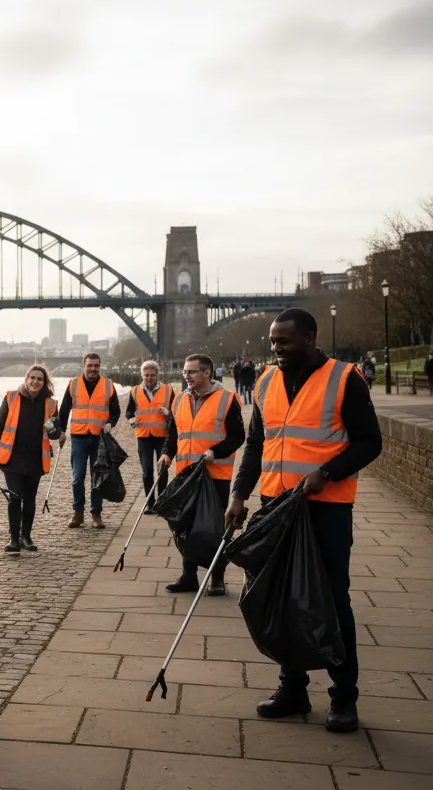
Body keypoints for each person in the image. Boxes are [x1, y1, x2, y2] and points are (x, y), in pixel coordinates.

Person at [228, 308, 382, 733]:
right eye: (273, 341)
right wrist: (239, 494)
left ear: (311, 338)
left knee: (333, 602)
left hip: (326, 507)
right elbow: (257, 444)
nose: (276, 348)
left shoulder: (344, 378)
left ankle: (344, 696)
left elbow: (370, 442)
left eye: (285, 341)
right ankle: (292, 687)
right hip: (276, 505)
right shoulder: (264, 382)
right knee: (279, 598)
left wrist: (327, 472)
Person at [158, 353, 244, 596]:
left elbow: (238, 436)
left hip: (215, 475)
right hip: (186, 475)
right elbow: (174, 434)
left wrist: (214, 452)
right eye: (185, 371)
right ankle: (189, 576)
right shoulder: (179, 400)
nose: (186, 376)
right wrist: (167, 453)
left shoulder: (227, 400)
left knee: (212, 528)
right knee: (184, 526)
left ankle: (217, 577)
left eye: (192, 372)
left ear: (207, 373)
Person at [0, 364, 58, 552]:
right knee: (15, 497)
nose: (35, 382)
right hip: (12, 457)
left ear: (44, 383)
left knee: (30, 499)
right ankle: (13, 539)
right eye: (32, 378)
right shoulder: (11, 398)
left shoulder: (50, 404)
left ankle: (26, 536)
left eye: (39, 379)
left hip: (35, 458)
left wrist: (54, 429)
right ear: (26, 379)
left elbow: (53, 434)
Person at [57, 352, 121, 528]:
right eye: (90, 365)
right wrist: (61, 431)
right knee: (77, 477)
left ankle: (96, 514)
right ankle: (78, 513)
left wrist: (110, 423)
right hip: (78, 437)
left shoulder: (108, 385)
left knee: (97, 477)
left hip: (99, 438)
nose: (93, 368)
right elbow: (63, 411)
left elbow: (115, 411)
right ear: (83, 366)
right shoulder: (73, 384)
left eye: (96, 365)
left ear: (100, 366)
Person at [125, 360, 174, 511]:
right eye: (146, 375)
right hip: (143, 436)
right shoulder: (134, 391)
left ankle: (162, 501)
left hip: (162, 436)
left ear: (157, 375)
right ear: (142, 375)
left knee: (163, 471)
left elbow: (177, 413)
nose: (149, 378)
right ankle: (149, 502)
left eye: (152, 375)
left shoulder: (168, 391)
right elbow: (128, 412)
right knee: (147, 472)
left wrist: (168, 414)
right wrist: (132, 420)